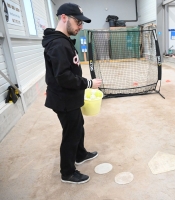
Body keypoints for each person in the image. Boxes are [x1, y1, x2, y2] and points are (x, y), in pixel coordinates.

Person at [42, 3, 102, 184]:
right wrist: (89, 83)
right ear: (64, 17)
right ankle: (67, 172)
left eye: (82, 23)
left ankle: (80, 154)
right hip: (63, 99)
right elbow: (64, 77)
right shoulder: (58, 44)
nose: (81, 26)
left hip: (70, 97)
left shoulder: (64, 40)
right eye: (78, 22)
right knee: (71, 134)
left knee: (78, 125)